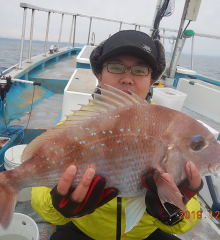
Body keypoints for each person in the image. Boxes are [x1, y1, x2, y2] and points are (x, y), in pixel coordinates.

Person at [31, 30, 203, 240]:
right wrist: (58, 204)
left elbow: (193, 213)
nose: (127, 78)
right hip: (84, 231)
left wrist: (174, 213)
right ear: (99, 75)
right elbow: (37, 190)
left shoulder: (171, 130)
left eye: (140, 70)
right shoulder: (74, 129)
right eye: (115, 67)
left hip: (145, 233)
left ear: (152, 80)